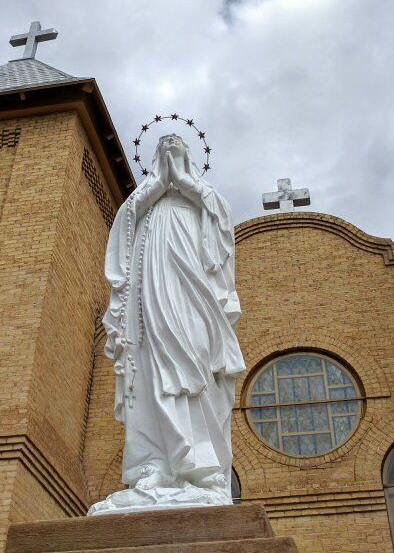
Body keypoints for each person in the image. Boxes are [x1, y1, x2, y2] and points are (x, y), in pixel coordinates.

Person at [90, 134, 245, 515]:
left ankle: (200, 467)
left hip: (192, 295)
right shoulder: (144, 204)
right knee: (148, 370)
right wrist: (157, 185)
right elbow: (123, 231)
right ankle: (154, 466)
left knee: (194, 361)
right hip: (150, 302)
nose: (170, 153)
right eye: (163, 150)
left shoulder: (203, 198)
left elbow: (222, 228)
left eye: (177, 149)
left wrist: (187, 183)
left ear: (190, 159)